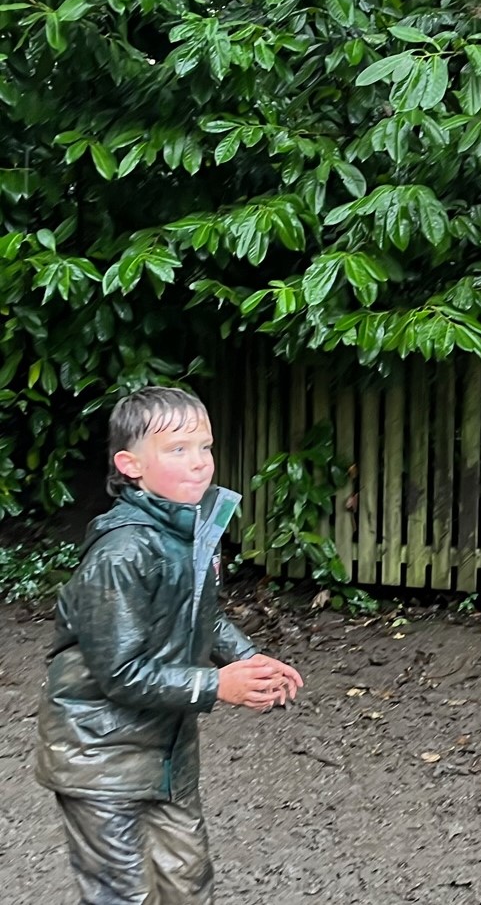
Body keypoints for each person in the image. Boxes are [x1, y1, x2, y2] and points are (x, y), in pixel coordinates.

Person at [34, 386, 304, 904]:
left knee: (186, 880)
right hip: (97, 753)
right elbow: (121, 673)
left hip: (165, 752)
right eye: (177, 449)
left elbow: (204, 613)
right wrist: (217, 683)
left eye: (204, 446)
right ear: (130, 464)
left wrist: (247, 657)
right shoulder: (122, 553)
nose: (199, 463)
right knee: (124, 893)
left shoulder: (191, 531)